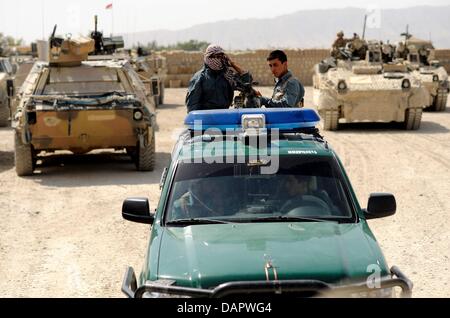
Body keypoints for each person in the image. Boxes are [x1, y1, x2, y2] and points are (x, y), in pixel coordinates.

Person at [185, 44, 246, 113]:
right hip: (206, 117)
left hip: (224, 115)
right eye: (217, 56)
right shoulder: (200, 77)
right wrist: (198, 123)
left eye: (221, 56)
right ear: (209, 57)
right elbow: (192, 105)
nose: (220, 59)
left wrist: (233, 64)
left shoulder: (227, 75)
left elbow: (246, 83)